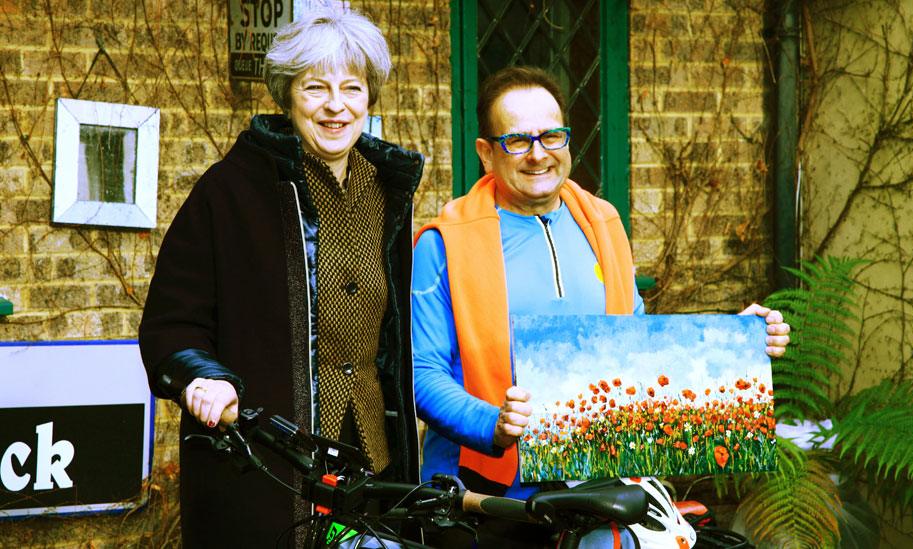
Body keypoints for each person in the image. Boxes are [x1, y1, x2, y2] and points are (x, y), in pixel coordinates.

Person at [411, 66, 790, 533]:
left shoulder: (603, 223)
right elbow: (422, 375)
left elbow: (634, 351)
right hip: (484, 499)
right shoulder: (443, 243)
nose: (538, 155)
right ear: (487, 154)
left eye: (551, 137)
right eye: (517, 141)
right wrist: (494, 423)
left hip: (595, 489)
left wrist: (736, 345)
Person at [139, 8, 423, 547]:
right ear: (287, 95)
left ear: (370, 97)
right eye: (315, 88)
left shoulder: (389, 193)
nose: (335, 106)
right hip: (263, 464)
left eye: (352, 88)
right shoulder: (227, 193)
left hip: (370, 461)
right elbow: (171, 326)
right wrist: (203, 377)